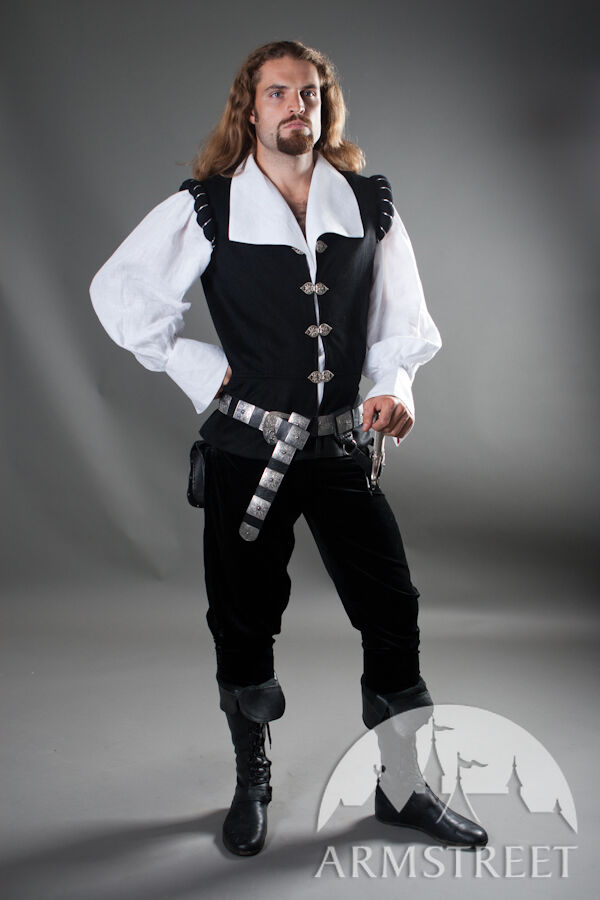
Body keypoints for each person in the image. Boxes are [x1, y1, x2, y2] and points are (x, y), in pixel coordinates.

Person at [90, 40, 488, 856]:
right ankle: (252, 783)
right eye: (277, 93)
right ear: (250, 108)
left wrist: (394, 388)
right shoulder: (210, 206)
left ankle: (402, 788)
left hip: (342, 447)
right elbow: (121, 295)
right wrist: (203, 369)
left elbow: (402, 318)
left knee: (393, 610)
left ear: (324, 106)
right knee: (242, 622)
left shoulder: (367, 202)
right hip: (247, 450)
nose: (295, 106)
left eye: (308, 93)